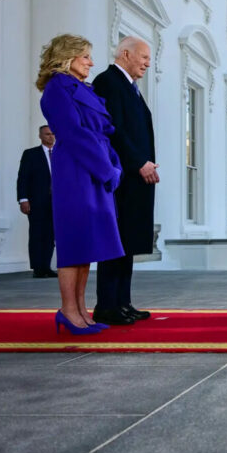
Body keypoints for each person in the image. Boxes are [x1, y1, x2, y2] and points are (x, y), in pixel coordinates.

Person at [38, 34, 123, 334]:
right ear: (68, 56)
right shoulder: (57, 88)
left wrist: (113, 165)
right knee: (74, 242)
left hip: (95, 166)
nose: (91, 62)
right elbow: (73, 133)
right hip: (76, 169)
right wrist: (106, 169)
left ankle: (81, 310)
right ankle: (68, 311)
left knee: (87, 243)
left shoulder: (82, 88)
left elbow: (104, 132)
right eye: (85, 56)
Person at [91, 36, 158, 326]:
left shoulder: (129, 86)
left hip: (135, 177)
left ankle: (123, 302)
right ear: (126, 54)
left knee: (127, 242)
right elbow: (113, 129)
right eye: (144, 57)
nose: (147, 63)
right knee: (115, 241)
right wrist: (138, 162)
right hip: (121, 177)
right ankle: (107, 305)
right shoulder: (108, 81)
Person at [17, 125, 58, 277]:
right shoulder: (31, 154)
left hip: (56, 202)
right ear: (40, 136)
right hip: (37, 201)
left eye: (53, 134)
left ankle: (46, 266)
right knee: (37, 233)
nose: (51, 137)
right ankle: (37, 268)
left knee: (50, 235)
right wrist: (23, 199)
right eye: (47, 134)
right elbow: (23, 178)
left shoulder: (61, 153)